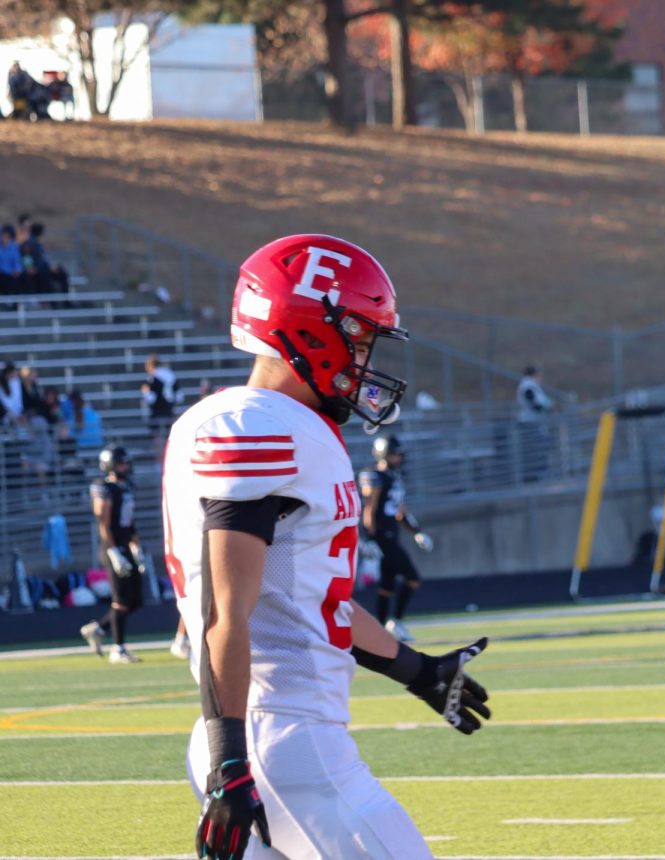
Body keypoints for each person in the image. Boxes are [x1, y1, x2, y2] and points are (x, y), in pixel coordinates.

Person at [162, 234, 491, 860]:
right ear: (309, 331)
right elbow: (223, 616)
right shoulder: (257, 427)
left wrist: (417, 670)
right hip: (277, 740)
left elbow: (310, 602)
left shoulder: (269, 425)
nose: (365, 360)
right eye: (360, 340)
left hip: (271, 736)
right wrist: (231, 761)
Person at [359, 434, 434, 642]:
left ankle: (381, 630)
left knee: (387, 586)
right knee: (412, 578)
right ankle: (396, 622)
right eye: (394, 454)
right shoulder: (374, 476)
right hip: (382, 537)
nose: (398, 458)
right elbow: (369, 509)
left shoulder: (396, 477)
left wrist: (417, 531)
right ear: (384, 455)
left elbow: (400, 510)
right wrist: (369, 538)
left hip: (393, 534)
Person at [80, 446, 144, 664]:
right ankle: (118, 648)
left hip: (126, 545)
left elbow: (129, 521)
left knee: (136, 601)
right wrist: (113, 550)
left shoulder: (126, 488)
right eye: (120, 463)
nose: (125, 467)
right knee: (121, 600)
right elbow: (104, 523)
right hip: (113, 547)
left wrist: (136, 546)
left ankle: (98, 628)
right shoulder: (103, 488)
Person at [515, 365, 553, 482]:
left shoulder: (531, 385)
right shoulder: (528, 386)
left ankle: (536, 474)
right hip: (530, 422)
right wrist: (545, 408)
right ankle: (532, 476)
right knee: (533, 450)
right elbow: (533, 403)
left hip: (533, 422)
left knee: (536, 449)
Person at [142, 353, 177, 461]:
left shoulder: (152, 378)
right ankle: (169, 461)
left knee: (158, 439)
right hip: (169, 412)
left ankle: (160, 462)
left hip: (157, 413)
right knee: (169, 439)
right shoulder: (171, 376)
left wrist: (145, 392)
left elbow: (151, 398)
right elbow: (179, 396)